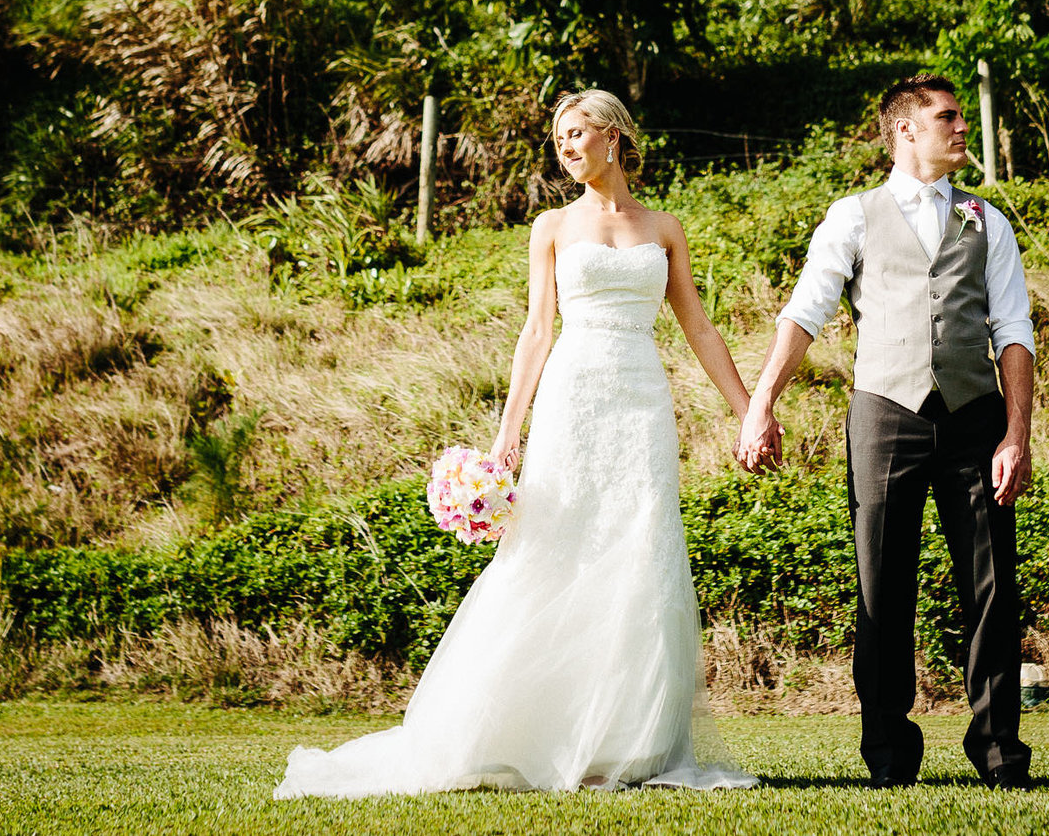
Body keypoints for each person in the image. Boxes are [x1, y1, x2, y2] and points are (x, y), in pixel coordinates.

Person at [276, 90, 759, 797]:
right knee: (554, 550)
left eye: (576, 132)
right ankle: (515, 730)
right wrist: (509, 429)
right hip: (574, 395)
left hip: (641, 401)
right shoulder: (552, 226)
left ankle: (618, 743)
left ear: (614, 135)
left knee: (639, 550)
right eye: (558, 137)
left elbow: (700, 329)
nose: (565, 145)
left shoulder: (664, 227)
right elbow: (537, 330)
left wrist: (748, 412)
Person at [736, 74, 1037, 789]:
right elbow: (805, 310)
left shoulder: (986, 220)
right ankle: (890, 757)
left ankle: (999, 753)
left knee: (992, 588)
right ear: (905, 130)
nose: (963, 128)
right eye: (948, 117)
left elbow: (1014, 330)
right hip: (884, 415)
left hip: (975, 417)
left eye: (963, 116)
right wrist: (762, 402)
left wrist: (1015, 432)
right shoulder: (853, 215)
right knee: (882, 585)